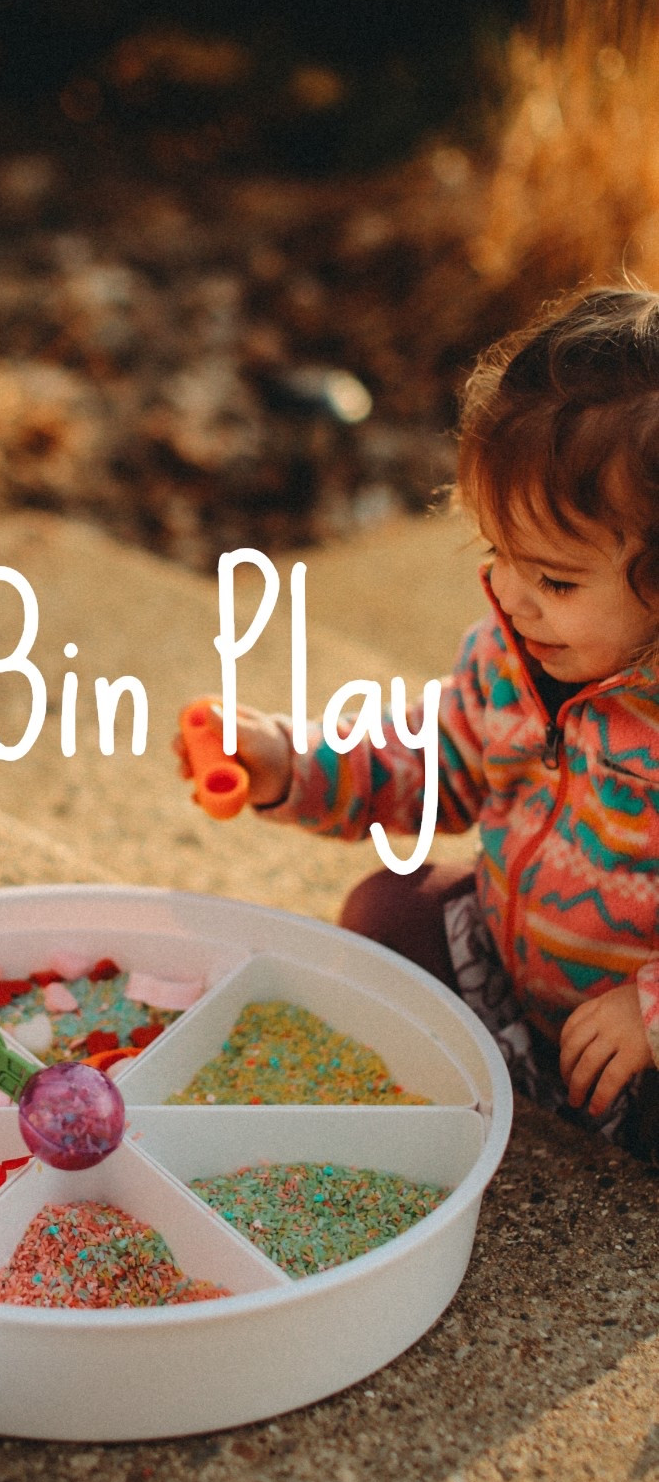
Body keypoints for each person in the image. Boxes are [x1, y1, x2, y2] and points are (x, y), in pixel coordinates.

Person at [191, 287, 659, 1156]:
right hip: (518, 985)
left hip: (634, 1039)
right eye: (499, 556)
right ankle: (513, 1072)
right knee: (386, 912)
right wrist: (291, 765)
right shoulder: (513, 654)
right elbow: (429, 759)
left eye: (555, 581)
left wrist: (649, 1010)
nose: (514, 599)